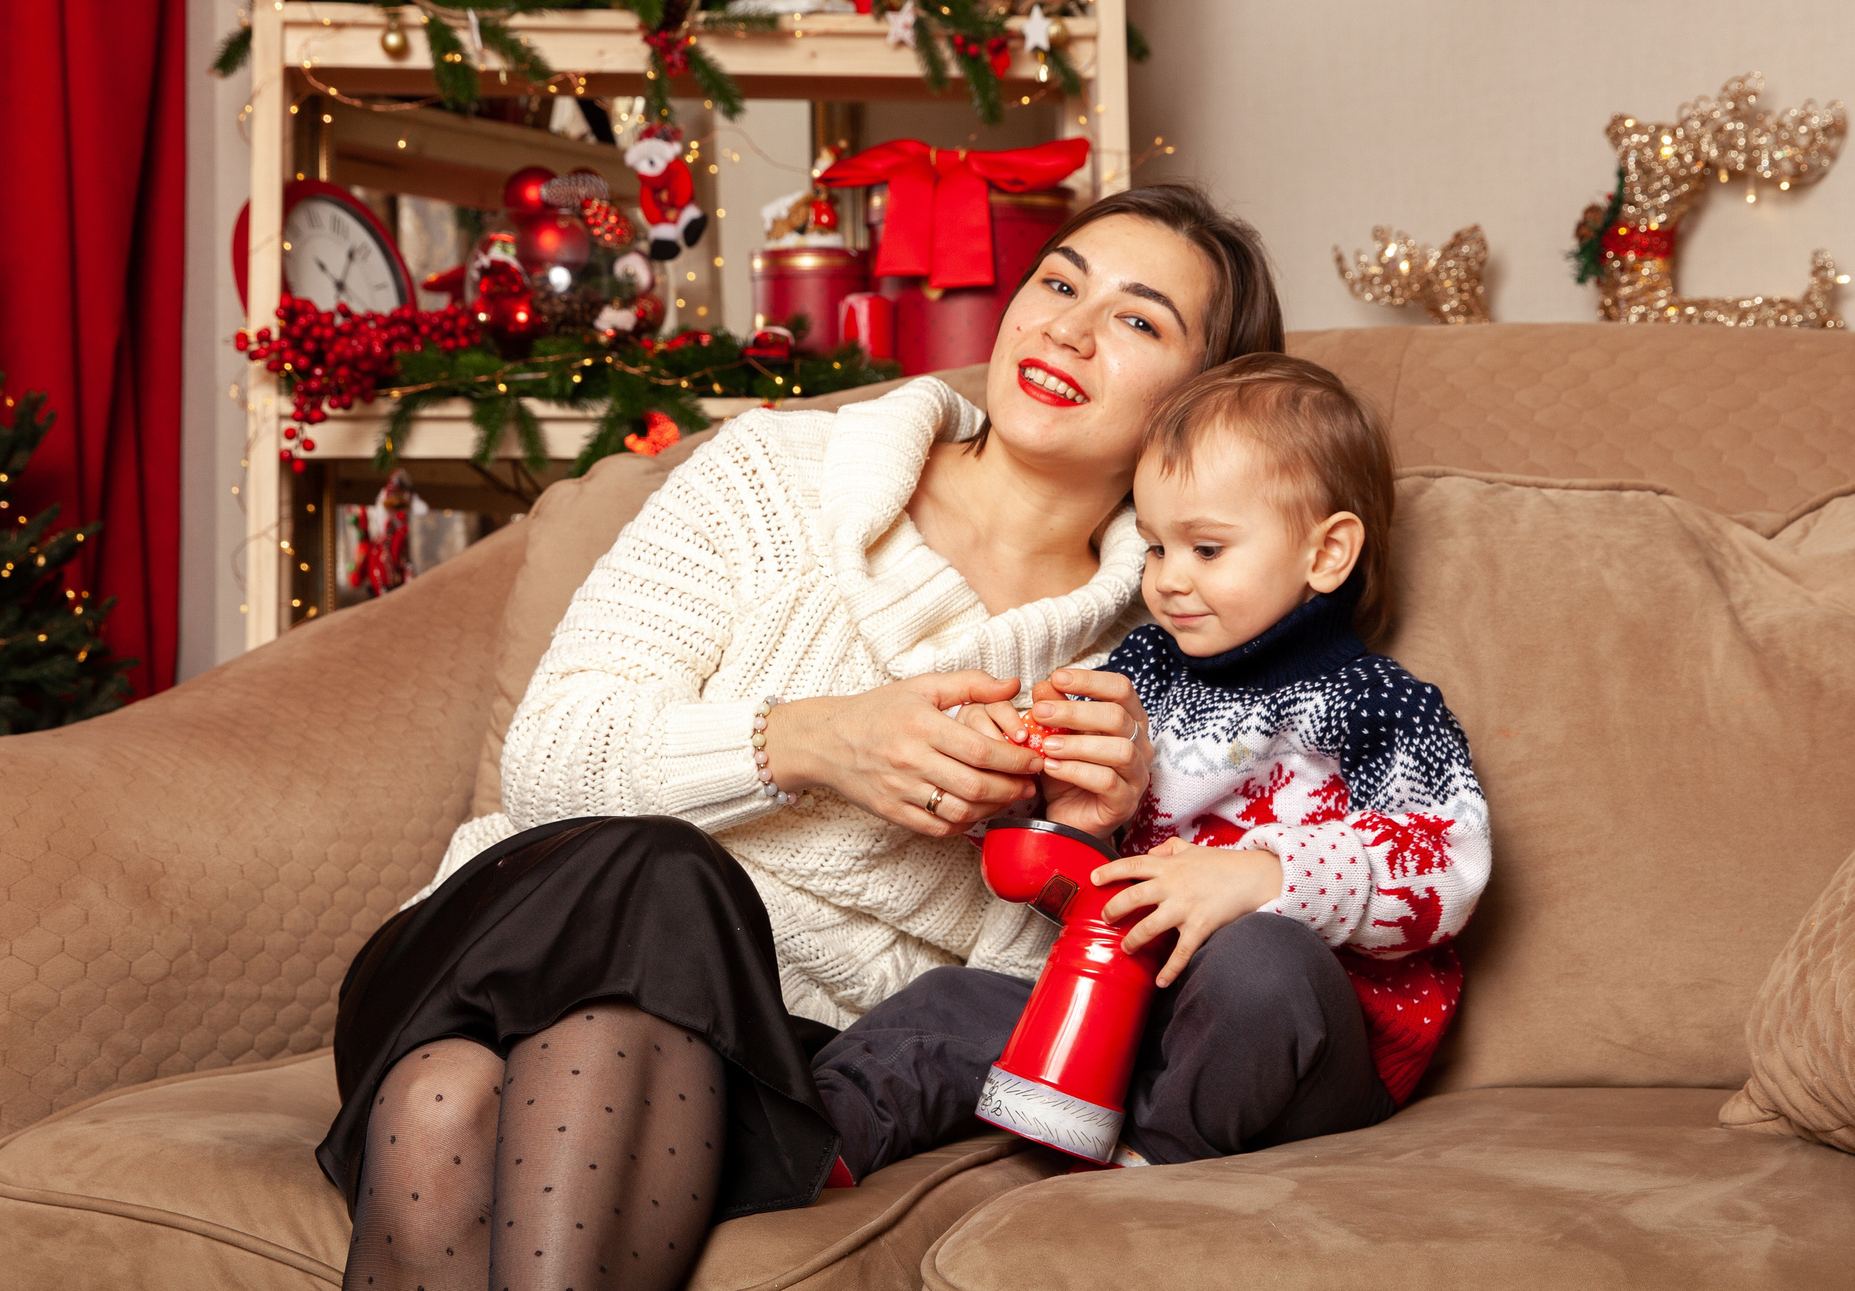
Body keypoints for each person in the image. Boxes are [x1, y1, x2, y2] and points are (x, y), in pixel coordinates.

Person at [319, 183, 1286, 1291]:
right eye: (1057, 283)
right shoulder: (773, 473)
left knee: (446, 1113)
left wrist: (1076, 849)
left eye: (1135, 319)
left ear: (1200, 404)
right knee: (666, 872)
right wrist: (810, 744)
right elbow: (549, 764)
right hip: (492, 950)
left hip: (765, 1064)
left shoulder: (1149, 666)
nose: (1065, 326)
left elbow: (1006, 1038)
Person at [810, 354, 1491, 1176]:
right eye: (1158, 545)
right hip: (1132, 1011)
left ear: (1328, 552)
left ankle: (1148, 1163)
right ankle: (807, 1137)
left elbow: (1450, 863)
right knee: (948, 1004)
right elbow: (1076, 854)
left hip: (1303, 1043)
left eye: (1206, 548)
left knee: (1259, 960)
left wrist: (1263, 876)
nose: (1167, 580)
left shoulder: (1379, 703)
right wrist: (1032, 783)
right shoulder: (1144, 672)